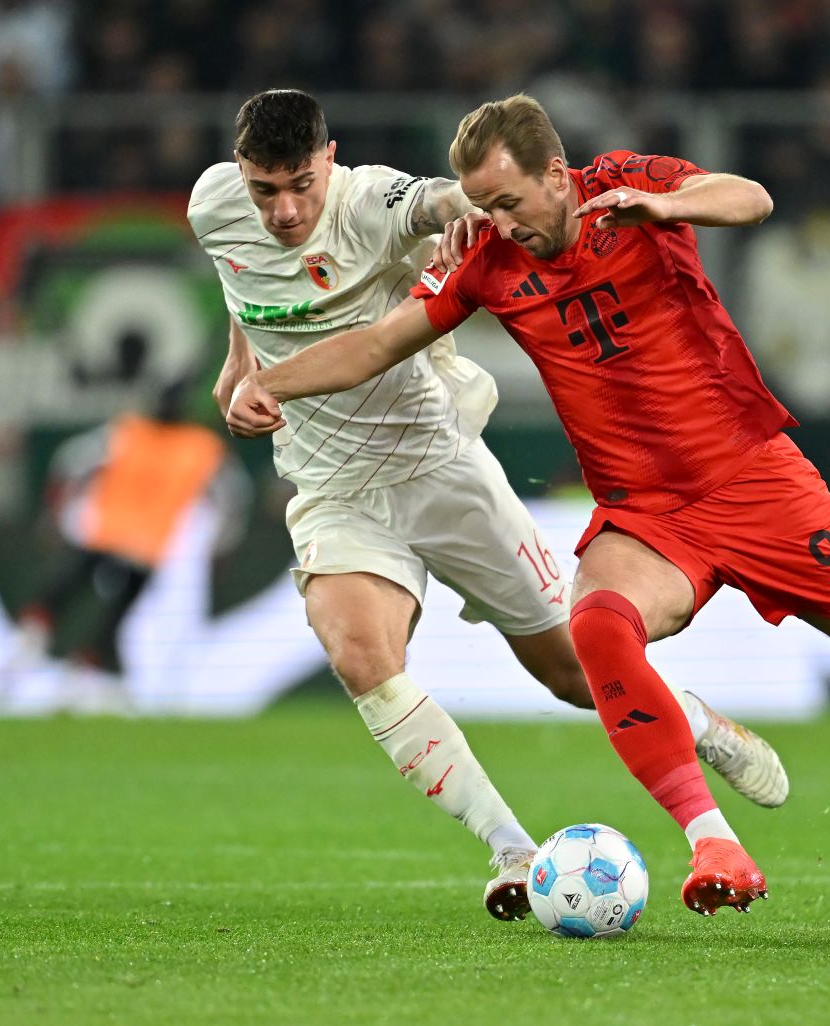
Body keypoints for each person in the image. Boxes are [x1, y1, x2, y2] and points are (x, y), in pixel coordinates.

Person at [224, 93, 830, 929]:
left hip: (756, 482)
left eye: (507, 202)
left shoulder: (630, 186)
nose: (494, 224)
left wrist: (672, 206)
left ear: (553, 173)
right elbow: (379, 342)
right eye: (481, 207)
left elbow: (751, 198)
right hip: (646, 515)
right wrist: (269, 382)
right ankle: (712, 842)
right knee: (599, 629)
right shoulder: (490, 263)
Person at [188, 89, 789, 922]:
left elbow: (444, 197)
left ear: (331, 160)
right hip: (331, 487)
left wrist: (466, 206)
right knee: (362, 656)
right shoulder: (214, 204)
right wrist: (239, 357)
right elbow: (246, 282)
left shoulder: (373, 202)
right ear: (240, 174)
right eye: (266, 189)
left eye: (300, 184)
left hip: (438, 467)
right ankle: (513, 850)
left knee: (574, 674)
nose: (284, 209)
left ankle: (699, 724)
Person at [9, 380, 249, 710]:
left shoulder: (133, 431)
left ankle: (50, 653)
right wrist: (221, 547)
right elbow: (233, 500)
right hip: (136, 544)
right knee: (107, 609)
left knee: (91, 600)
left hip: (115, 537)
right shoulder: (197, 444)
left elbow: (71, 462)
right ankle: (60, 659)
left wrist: (54, 512)